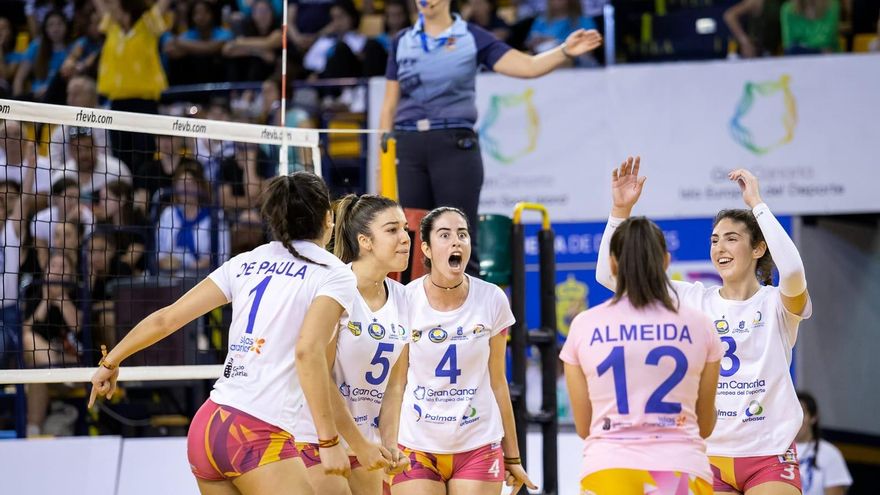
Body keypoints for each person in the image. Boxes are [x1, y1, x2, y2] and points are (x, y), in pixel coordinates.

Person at [89, 172, 390, 494]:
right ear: (328, 219)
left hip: (209, 424)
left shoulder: (246, 261)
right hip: (256, 433)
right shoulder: (333, 273)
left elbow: (166, 319)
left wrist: (110, 362)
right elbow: (308, 352)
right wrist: (329, 441)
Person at [596, 157, 812, 495]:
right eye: (714, 240)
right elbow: (609, 276)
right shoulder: (692, 299)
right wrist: (618, 212)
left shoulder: (776, 303)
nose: (719, 248)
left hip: (768, 453)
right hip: (707, 455)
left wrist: (757, 205)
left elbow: (795, 272)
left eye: (731, 239)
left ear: (758, 248)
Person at [379, 0, 601, 275]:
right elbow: (389, 104)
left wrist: (565, 50)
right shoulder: (401, 40)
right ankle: (411, 316)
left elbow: (528, 66)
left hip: (454, 144)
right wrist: (384, 158)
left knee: (456, 235)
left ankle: (469, 314)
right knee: (411, 241)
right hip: (408, 145)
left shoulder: (471, 36)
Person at [561, 214, 721, 494]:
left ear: (612, 264)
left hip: (608, 469)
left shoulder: (585, 325)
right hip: (680, 468)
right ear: (666, 262)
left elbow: (585, 426)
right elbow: (705, 424)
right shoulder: (700, 325)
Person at [384, 207, 535, 495]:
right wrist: (389, 447)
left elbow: (498, 382)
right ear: (426, 249)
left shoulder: (492, 298)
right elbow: (396, 384)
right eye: (445, 235)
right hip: (416, 445)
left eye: (462, 235)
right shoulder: (404, 299)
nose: (456, 242)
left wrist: (513, 455)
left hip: (477, 444)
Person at [294, 194, 412, 495]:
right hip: (318, 437)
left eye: (404, 229)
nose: (405, 238)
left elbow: (395, 387)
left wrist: (388, 444)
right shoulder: (335, 287)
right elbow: (320, 376)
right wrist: (358, 445)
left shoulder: (404, 298)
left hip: (365, 443)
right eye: (392, 230)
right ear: (365, 241)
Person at [796, 392, 852, 495]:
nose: (797, 418)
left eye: (802, 413)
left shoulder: (829, 453)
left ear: (813, 418)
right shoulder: (776, 451)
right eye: (793, 413)